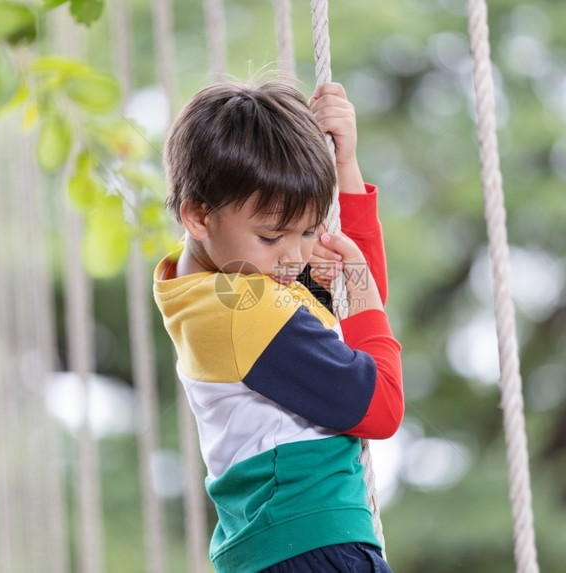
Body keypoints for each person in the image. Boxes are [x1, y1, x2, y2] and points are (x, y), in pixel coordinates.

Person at [153, 76, 403, 573]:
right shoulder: (246, 308)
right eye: (273, 235)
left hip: (280, 547)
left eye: (310, 231)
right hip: (312, 544)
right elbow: (380, 404)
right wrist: (367, 296)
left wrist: (345, 168)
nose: (295, 257)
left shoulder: (219, 280)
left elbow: (346, 301)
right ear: (198, 216)